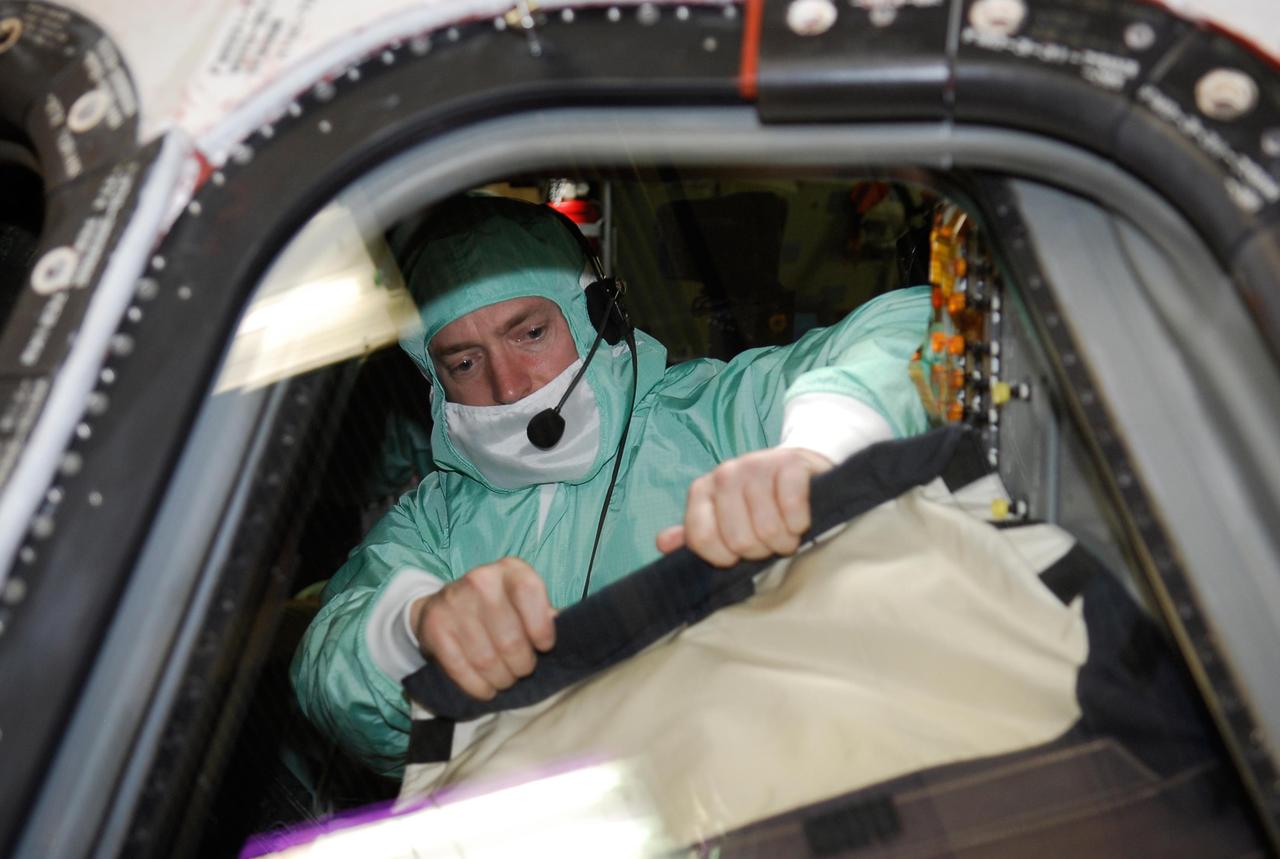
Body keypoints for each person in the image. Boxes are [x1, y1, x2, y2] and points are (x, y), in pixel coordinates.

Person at [291, 195, 932, 775]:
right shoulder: (433, 524)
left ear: (599, 313)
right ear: (434, 384)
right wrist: (414, 628)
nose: (509, 387)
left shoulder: (713, 416)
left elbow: (917, 328)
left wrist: (818, 451)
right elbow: (331, 667)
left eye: (531, 333)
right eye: (464, 362)